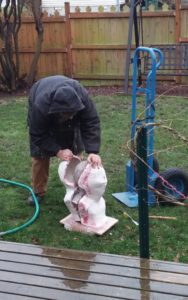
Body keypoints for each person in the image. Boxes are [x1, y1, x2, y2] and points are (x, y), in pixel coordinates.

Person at [27, 75, 101, 206]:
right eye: (67, 114)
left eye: (72, 113)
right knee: (39, 156)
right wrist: (57, 151)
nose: (70, 116)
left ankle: (77, 188)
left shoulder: (82, 98)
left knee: (76, 152)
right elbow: (37, 134)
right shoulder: (40, 106)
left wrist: (93, 151)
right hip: (40, 97)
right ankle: (38, 191)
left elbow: (91, 122)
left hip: (67, 105)